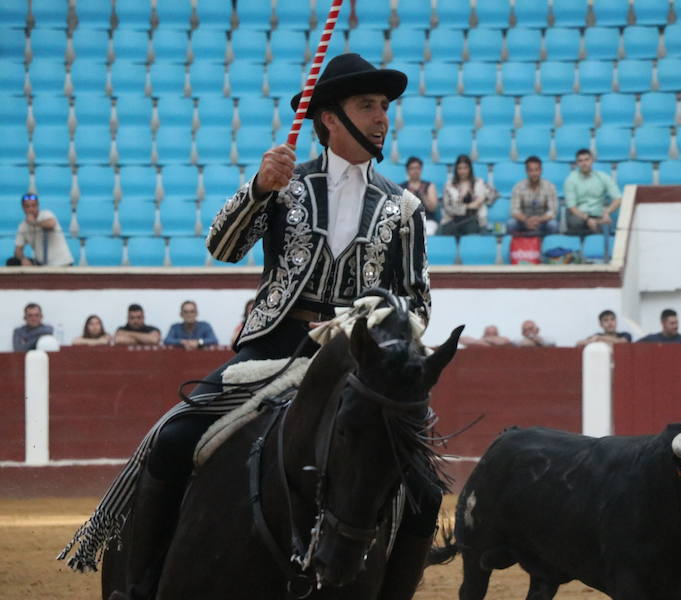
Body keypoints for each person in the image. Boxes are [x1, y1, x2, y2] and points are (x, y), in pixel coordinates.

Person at [62, 53, 433, 600]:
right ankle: (141, 585)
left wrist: (379, 317)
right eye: (367, 105)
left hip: (354, 365)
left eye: (383, 107)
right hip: (273, 351)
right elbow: (223, 245)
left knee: (423, 487)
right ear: (329, 117)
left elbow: (418, 303)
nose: (382, 117)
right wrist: (258, 189)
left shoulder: (403, 207)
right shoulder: (284, 181)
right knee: (173, 437)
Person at [563, 149, 622, 236]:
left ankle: (596, 241)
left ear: (592, 160)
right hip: (579, 215)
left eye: (587, 159)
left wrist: (607, 212)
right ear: (577, 163)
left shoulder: (602, 177)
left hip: (597, 214)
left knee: (606, 224)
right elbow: (572, 207)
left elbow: (618, 198)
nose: (584, 163)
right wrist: (588, 219)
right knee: (577, 223)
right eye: (580, 161)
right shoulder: (570, 179)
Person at [8, 193, 74, 267]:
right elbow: (17, 250)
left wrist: (33, 223)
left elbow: (51, 224)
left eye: (33, 206)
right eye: (27, 206)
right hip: (42, 264)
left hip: (61, 263)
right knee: (12, 261)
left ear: (38, 206)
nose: (31, 209)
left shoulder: (46, 214)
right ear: (23, 208)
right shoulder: (23, 226)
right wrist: (23, 259)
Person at [507, 156, 559, 236]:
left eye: (536, 170)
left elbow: (552, 211)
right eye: (531, 170)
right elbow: (514, 210)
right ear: (526, 171)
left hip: (543, 222)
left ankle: (548, 245)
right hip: (524, 222)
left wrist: (540, 220)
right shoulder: (518, 187)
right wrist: (526, 220)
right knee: (511, 223)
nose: (534, 173)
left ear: (541, 171)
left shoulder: (549, 186)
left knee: (553, 224)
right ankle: (518, 246)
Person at [439, 154, 489, 236]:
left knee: (472, 226)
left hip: (475, 220)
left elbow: (493, 194)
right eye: (460, 168)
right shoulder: (449, 185)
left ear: (470, 169)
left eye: (465, 168)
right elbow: (448, 208)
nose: (462, 171)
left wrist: (481, 199)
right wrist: (468, 206)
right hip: (453, 221)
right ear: (456, 169)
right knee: (446, 230)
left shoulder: (479, 182)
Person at [400, 156, 439, 235]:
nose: (415, 171)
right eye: (412, 168)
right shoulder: (401, 187)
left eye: (417, 168)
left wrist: (423, 195)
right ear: (407, 170)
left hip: (427, 220)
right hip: (408, 221)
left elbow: (433, 208)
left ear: (421, 169)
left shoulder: (429, 186)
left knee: (428, 232)